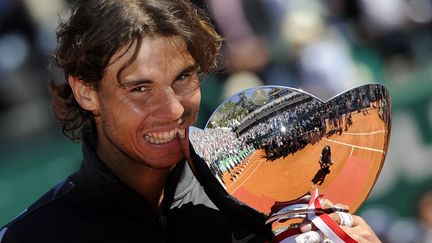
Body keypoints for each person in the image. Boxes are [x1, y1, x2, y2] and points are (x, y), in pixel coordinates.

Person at [0, 0, 381, 242]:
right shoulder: (33, 236)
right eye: (139, 88)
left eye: (183, 78)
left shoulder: (270, 189)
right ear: (86, 92)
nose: (173, 109)